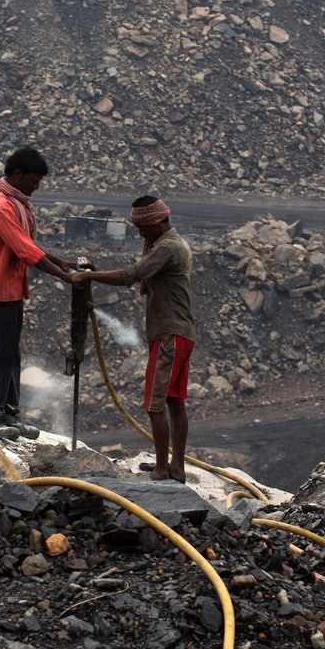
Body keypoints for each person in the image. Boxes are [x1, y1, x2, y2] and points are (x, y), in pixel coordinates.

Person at [69, 196, 195, 481]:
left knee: (154, 405)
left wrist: (88, 278)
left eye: (142, 227)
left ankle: (163, 470)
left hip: (169, 336)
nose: (139, 234)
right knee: (175, 402)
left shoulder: (167, 248)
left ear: (155, 222)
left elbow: (131, 275)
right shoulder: (173, 244)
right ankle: (175, 466)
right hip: (178, 332)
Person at [0, 146, 77, 436]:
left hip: (11, 290)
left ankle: (7, 411)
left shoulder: (16, 202)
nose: (35, 188)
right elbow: (24, 250)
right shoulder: (1, 207)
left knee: (10, 354)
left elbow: (27, 245)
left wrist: (60, 262)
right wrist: (64, 276)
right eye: (33, 181)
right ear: (17, 175)